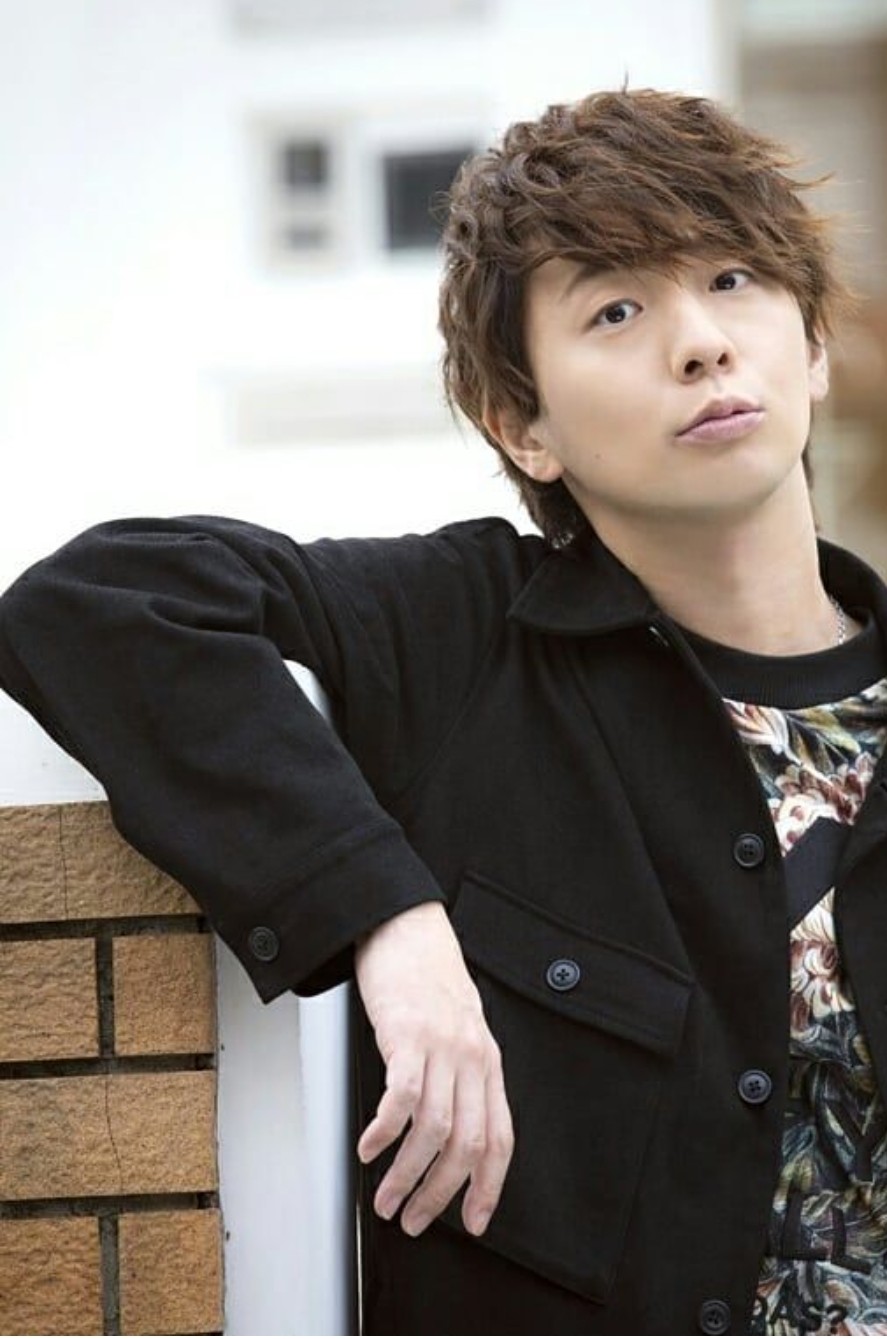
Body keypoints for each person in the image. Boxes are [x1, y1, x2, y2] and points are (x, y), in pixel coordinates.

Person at [1, 87, 886, 1336]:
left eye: (731, 279)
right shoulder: (459, 640)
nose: (698, 343)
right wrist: (384, 913)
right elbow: (100, 602)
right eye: (615, 310)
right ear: (522, 427)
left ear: (812, 346)